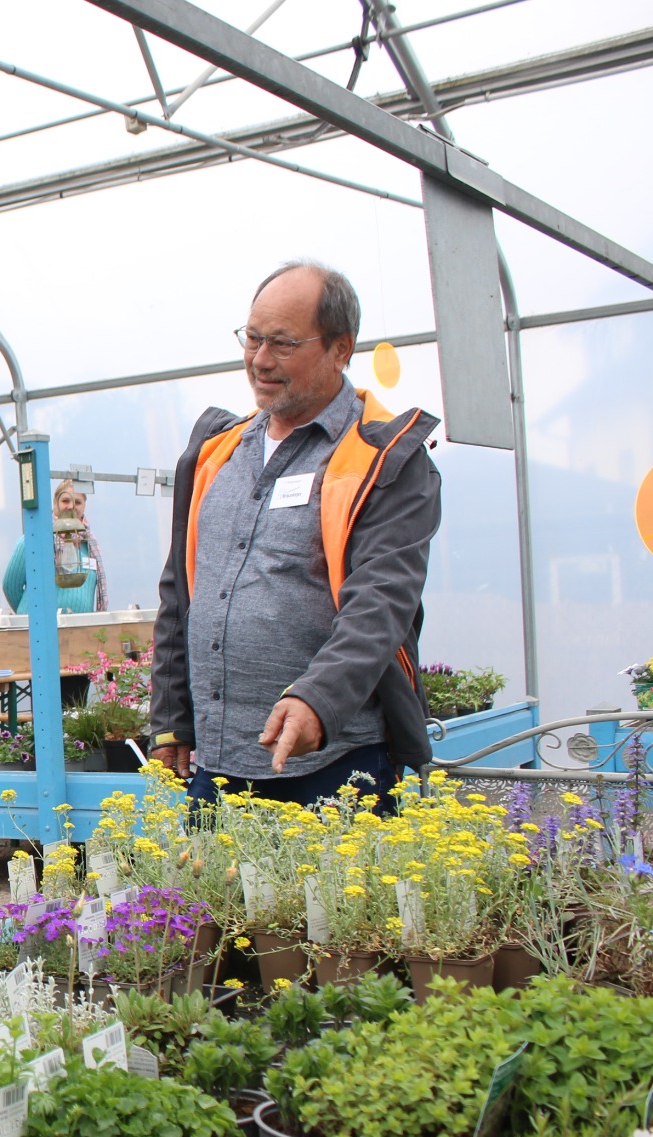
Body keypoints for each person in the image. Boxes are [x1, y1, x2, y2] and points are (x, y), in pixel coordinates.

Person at [149, 261, 440, 810]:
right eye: (253, 338)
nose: (260, 361)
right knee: (212, 899)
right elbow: (180, 594)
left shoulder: (385, 460)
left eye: (283, 344)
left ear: (340, 348)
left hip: (333, 766)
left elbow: (381, 603)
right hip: (216, 764)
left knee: (333, 898)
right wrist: (170, 718)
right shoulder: (217, 452)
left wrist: (318, 699)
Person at [2, 481, 108, 614]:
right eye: (65, 501)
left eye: (78, 502)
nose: (71, 506)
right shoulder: (34, 540)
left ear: (84, 506)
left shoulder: (90, 545)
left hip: (79, 629)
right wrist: (35, 615)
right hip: (42, 629)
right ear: (55, 503)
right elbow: (10, 586)